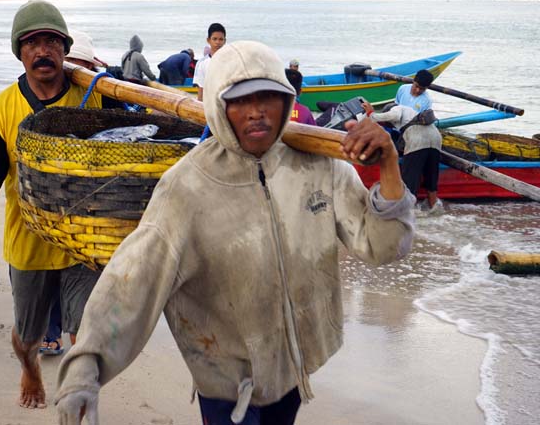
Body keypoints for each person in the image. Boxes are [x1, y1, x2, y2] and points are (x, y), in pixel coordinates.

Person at [55, 40, 415, 424]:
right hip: (226, 385)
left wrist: (389, 167)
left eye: (268, 98)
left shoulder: (321, 168)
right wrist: (84, 370)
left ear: (287, 101)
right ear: (217, 105)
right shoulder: (187, 186)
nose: (257, 112)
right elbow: (133, 280)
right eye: (240, 100)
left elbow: (385, 247)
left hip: (294, 367)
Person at [0, 0, 102, 409]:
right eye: (33, 42)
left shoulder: (95, 98)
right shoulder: (0, 111)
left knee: (87, 332)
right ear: (19, 52)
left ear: (65, 48)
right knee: (28, 336)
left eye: (52, 41)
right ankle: (29, 368)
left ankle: (79, 395)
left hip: (85, 244)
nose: (43, 50)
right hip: (29, 245)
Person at [362, 99, 444, 215]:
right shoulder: (412, 113)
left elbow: (393, 115)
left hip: (417, 140)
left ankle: (409, 212)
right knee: (431, 176)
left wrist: (371, 113)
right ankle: (434, 207)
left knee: (410, 178)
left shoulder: (397, 108)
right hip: (436, 139)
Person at [193, 22, 226, 101]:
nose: (218, 42)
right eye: (214, 39)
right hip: (210, 105)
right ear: (208, 40)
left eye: (221, 39)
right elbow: (201, 90)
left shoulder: (231, 61)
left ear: (224, 41)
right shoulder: (202, 63)